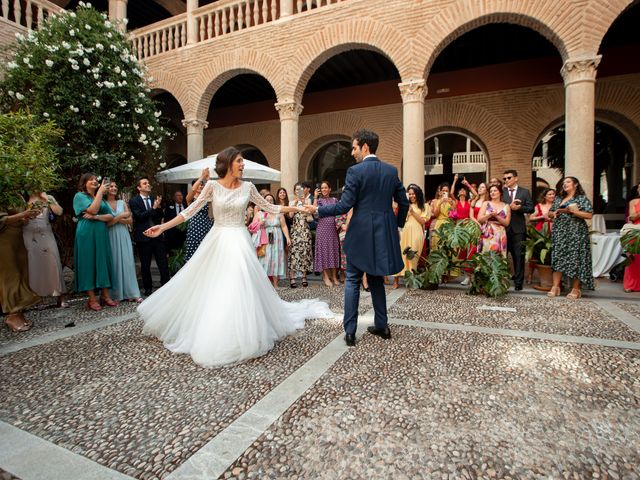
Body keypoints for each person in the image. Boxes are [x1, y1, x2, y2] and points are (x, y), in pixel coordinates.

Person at [138, 147, 332, 367]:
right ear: (228, 163)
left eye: (243, 162)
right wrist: (162, 227)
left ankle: (242, 331)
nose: (243, 165)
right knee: (215, 285)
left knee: (239, 283)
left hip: (240, 240)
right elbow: (190, 210)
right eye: (240, 161)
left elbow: (270, 206)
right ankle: (216, 329)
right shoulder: (211, 186)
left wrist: (298, 210)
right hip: (218, 239)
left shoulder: (248, 187)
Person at [306, 130, 409, 347]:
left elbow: (344, 206)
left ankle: (350, 332)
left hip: (360, 235)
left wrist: (317, 210)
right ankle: (382, 326)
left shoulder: (355, 171)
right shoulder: (391, 171)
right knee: (375, 280)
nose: (352, 153)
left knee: (352, 280)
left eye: (354, 147)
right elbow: (404, 202)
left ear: (364, 147)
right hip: (382, 236)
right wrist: (396, 225)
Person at [73, 173, 117, 311]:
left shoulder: (101, 199)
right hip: (86, 234)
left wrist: (96, 217)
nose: (94, 181)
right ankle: (91, 298)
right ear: (84, 183)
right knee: (88, 262)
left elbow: (110, 216)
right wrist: (99, 195)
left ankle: (105, 295)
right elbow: (92, 209)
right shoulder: (79, 196)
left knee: (102, 261)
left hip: (101, 234)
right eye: (90, 179)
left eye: (95, 179)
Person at [547, 176, 594, 299]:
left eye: (568, 182)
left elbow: (589, 215)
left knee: (576, 258)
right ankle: (555, 287)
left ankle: (576, 289)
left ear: (576, 184)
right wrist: (554, 213)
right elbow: (550, 213)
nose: (565, 184)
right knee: (557, 257)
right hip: (560, 232)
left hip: (576, 232)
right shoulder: (558, 198)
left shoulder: (581, 199)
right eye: (563, 182)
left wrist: (572, 211)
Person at [22, 192, 68, 308]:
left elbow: (59, 211)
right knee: (34, 263)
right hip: (29, 234)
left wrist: (47, 199)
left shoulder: (48, 197)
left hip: (46, 233)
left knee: (53, 261)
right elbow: (21, 219)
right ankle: (39, 298)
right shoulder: (23, 199)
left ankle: (60, 295)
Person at [129, 176, 170, 296]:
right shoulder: (134, 201)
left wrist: (158, 208)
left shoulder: (154, 199)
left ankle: (166, 285)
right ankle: (148, 288)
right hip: (143, 237)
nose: (148, 185)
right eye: (144, 183)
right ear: (139, 187)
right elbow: (139, 217)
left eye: (148, 183)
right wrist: (153, 208)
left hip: (157, 236)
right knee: (145, 264)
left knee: (162, 262)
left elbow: (160, 215)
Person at [1, 206, 40, 331]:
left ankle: (18, 312)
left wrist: (24, 218)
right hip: (3, 241)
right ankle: (11, 315)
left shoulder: (14, 193)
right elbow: (2, 220)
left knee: (22, 273)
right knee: (10, 275)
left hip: (16, 238)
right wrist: (23, 214)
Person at [106, 182, 142, 303]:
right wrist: (121, 216)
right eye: (111, 186)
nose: (114, 188)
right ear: (106, 189)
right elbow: (107, 223)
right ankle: (115, 294)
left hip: (123, 235)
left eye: (116, 186)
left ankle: (132, 293)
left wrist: (115, 218)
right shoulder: (103, 203)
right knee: (114, 263)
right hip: (110, 235)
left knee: (127, 262)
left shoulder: (122, 202)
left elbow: (130, 220)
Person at [502, 169, 534, 291]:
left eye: (509, 178)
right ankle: (502, 281)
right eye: (504, 179)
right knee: (502, 255)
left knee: (518, 257)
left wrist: (520, 207)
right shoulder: (502, 192)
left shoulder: (524, 192)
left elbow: (531, 208)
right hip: (504, 228)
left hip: (518, 229)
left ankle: (518, 283)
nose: (506, 180)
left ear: (516, 178)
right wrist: (508, 207)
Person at [393, 184, 430, 289]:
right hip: (404, 231)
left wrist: (413, 212)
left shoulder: (425, 206)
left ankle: (411, 279)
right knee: (400, 253)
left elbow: (423, 221)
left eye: (413, 193)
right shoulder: (404, 205)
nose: (411, 196)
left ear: (418, 194)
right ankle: (396, 280)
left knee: (413, 255)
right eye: (409, 194)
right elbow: (400, 220)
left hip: (417, 232)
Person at [257, 193, 290, 288]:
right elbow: (253, 227)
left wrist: (287, 237)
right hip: (265, 238)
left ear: (274, 202)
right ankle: (265, 284)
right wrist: (260, 223)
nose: (269, 201)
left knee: (276, 258)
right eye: (267, 199)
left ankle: (275, 284)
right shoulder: (260, 213)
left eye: (271, 200)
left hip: (277, 238)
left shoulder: (278, 213)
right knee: (265, 259)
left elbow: (284, 226)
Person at [313, 181, 341, 287]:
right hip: (322, 229)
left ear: (329, 189)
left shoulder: (335, 200)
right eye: (322, 188)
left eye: (326, 188)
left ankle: (334, 276)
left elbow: (338, 213)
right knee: (323, 252)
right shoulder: (319, 201)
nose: (324, 189)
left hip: (333, 229)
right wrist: (315, 197)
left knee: (333, 251)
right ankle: (325, 276)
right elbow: (314, 213)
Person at [184, 173, 214, 263]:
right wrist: (202, 177)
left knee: (205, 252)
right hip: (195, 228)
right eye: (199, 184)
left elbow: (211, 215)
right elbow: (193, 189)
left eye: (202, 184)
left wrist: (209, 180)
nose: (201, 186)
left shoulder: (206, 199)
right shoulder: (190, 199)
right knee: (193, 252)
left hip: (206, 226)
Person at [288, 182, 313, 288]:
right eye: (297, 189)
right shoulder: (291, 202)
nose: (298, 191)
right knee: (293, 253)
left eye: (300, 189)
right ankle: (292, 277)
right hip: (295, 230)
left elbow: (309, 216)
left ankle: (304, 277)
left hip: (305, 230)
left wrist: (303, 203)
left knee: (305, 252)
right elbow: (290, 215)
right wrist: (296, 203)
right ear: (294, 191)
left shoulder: (308, 201)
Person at [478, 183, 511, 257]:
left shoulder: (506, 206)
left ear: (500, 192)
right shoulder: (486, 203)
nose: (492, 193)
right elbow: (479, 219)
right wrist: (489, 215)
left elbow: (506, 223)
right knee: (487, 256)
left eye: (495, 191)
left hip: (500, 233)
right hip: (488, 232)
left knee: (498, 259)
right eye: (491, 191)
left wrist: (496, 216)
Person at [623, 189, 640, 292]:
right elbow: (632, 217)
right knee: (634, 259)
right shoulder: (633, 202)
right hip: (636, 231)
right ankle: (631, 284)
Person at [430, 182, 454, 249]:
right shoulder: (435, 201)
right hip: (438, 224)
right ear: (440, 192)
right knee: (438, 244)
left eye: (447, 191)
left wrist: (452, 205)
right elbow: (435, 214)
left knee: (448, 245)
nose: (445, 192)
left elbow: (453, 215)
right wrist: (440, 203)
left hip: (449, 224)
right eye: (443, 190)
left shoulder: (451, 201)